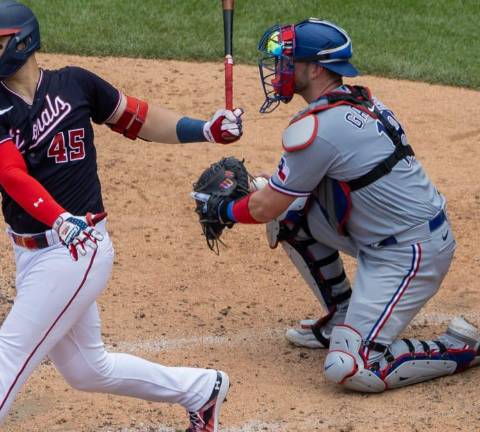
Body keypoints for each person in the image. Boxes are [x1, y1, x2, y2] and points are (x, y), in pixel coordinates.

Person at [0, 2, 244, 431]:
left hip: (78, 251)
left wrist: (205, 130)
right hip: (35, 252)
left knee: (4, 363)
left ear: (23, 40)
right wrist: (59, 215)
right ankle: (201, 389)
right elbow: (10, 173)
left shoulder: (75, 85)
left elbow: (137, 118)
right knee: (87, 369)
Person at [193, 18, 479, 392]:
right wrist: (261, 193)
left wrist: (223, 210)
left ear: (314, 68)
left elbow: (263, 207)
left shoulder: (322, 128)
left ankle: (458, 347)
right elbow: (282, 197)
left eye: (287, 61)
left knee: (351, 368)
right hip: (382, 234)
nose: (278, 70)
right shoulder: (355, 102)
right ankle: (343, 315)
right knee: (287, 212)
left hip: (411, 254)